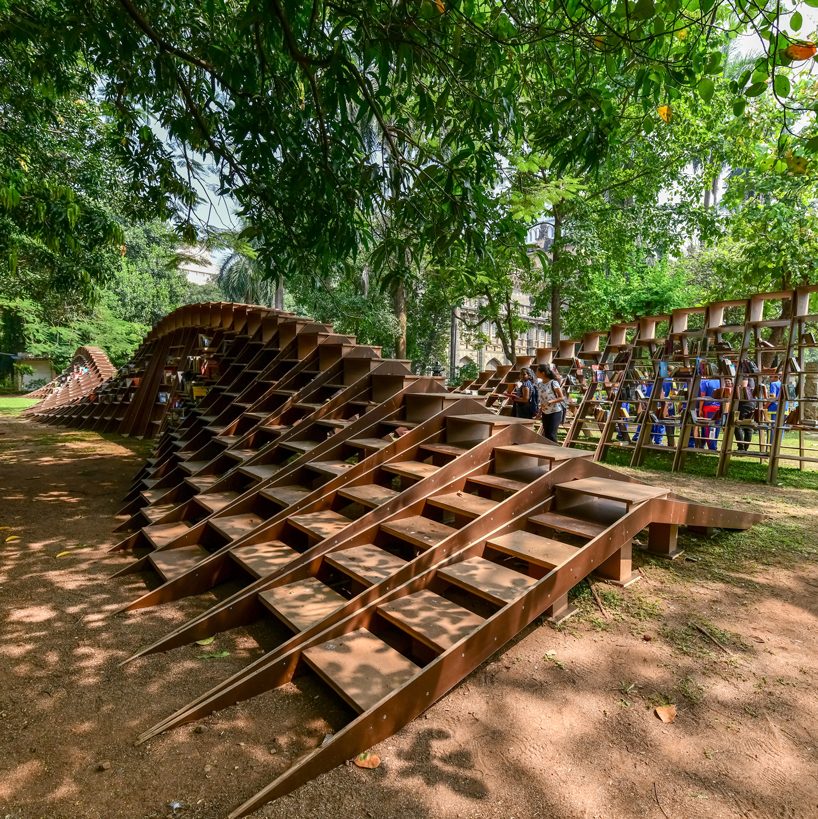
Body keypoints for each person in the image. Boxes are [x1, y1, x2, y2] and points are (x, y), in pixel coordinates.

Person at [536, 364, 565, 442]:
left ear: (543, 373)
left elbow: (561, 397)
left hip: (555, 412)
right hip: (545, 412)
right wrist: (540, 412)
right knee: (547, 436)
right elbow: (542, 400)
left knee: (552, 435)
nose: (536, 373)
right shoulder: (539, 384)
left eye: (537, 371)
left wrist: (550, 402)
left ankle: (556, 449)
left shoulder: (553, 383)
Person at [734, 376, 755, 451]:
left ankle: (741, 447)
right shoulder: (751, 378)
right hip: (752, 403)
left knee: (737, 425)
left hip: (744, 403)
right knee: (748, 427)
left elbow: (744, 387)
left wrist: (737, 387)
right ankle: (745, 448)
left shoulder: (744, 375)